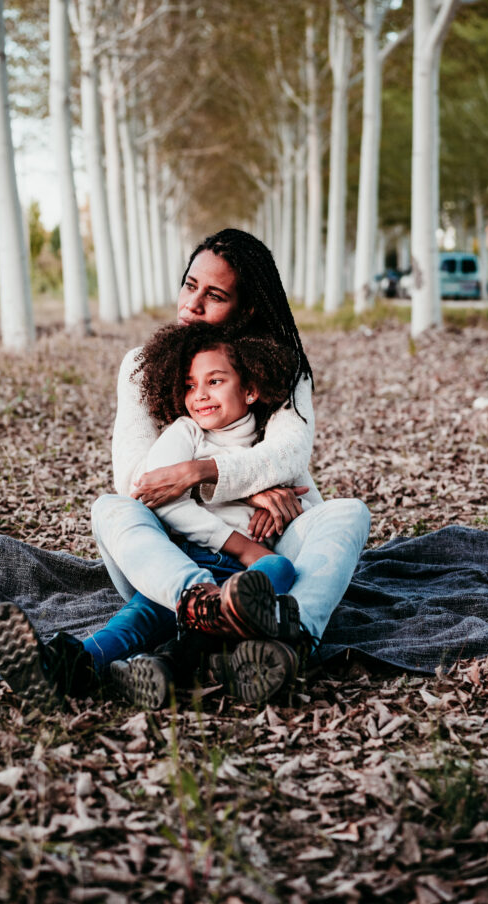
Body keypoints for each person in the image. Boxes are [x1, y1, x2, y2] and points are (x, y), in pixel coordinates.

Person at [0, 321, 309, 706]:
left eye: (215, 381)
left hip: (243, 585)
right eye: (190, 385)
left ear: (251, 390)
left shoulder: (267, 446)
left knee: (281, 570)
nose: (199, 395)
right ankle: (65, 664)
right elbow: (158, 496)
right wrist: (240, 544)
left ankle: (170, 662)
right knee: (136, 618)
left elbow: (285, 479)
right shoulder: (186, 433)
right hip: (180, 566)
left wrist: (254, 493)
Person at [92, 229, 371, 673]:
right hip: (170, 562)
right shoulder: (139, 367)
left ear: (247, 308)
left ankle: (291, 640)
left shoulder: (283, 368)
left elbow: (288, 457)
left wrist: (198, 472)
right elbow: (137, 483)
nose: (192, 305)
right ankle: (202, 604)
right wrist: (249, 489)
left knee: (351, 512)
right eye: (189, 285)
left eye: (215, 295)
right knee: (111, 508)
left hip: (271, 555)